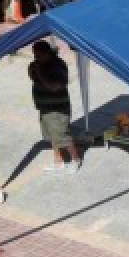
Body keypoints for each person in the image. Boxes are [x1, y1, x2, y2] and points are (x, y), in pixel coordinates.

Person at [29, 40, 80, 173]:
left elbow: (55, 87)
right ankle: (58, 161)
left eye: (39, 55)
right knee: (52, 136)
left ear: (47, 53)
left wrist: (39, 72)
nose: (36, 58)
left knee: (62, 136)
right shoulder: (38, 64)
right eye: (35, 55)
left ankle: (75, 160)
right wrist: (33, 69)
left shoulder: (58, 65)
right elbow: (32, 77)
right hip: (45, 108)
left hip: (57, 109)